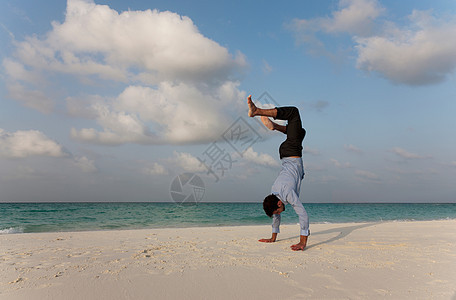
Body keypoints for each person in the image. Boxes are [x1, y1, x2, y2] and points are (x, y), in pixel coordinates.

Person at [247, 95, 309, 251]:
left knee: (294, 113)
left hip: (292, 152)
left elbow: (303, 214)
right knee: (301, 132)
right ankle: (275, 127)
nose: (279, 214)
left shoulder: (287, 194)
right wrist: (272, 238)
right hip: (285, 154)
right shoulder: (274, 192)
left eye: (277, 210)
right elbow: (275, 217)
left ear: (279, 204)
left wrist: (303, 242)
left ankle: (258, 111)